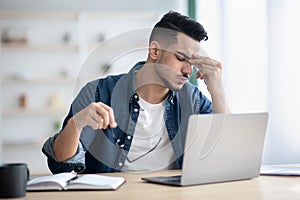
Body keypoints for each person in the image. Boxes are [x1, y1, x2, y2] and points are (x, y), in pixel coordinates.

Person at [42, 11, 230, 174]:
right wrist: (77, 123)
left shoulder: (192, 98)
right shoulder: (99, 92)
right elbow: (61, 164)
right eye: (181, 58)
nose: (188, 71)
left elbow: (225, 155)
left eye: (192, 63)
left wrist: (217, 91)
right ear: (155, 50)